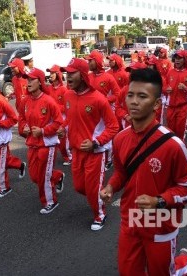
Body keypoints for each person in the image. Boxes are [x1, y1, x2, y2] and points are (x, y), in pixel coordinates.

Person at [100, 68, 187, 276]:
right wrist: (111, 186)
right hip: (130, 220)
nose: (134, 101)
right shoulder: (120, 139)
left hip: (160, 224)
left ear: (156, 104)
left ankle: (184, 264)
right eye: (130, 95)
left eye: (142, 96)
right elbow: (121, 173)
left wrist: (159, 201)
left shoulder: (172, 145)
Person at [58, 58, 119, 230]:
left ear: (83, 75)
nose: (67, 76)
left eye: (72, 73)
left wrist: (96, 142)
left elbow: (113, 126)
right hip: (77, 151)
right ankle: (98, 195)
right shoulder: (68, 95)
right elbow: (69, 118)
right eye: (66, 73)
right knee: (79, 187)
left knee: (92, 190)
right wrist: (63, 128)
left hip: (95, 152)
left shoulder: (99, 99)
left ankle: (100, 214)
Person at [18, 68, 65, 214]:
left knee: (44, 176)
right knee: (34, 176)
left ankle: (50, 201)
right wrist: (23, 127)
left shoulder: (49, 101)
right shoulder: (25, 101)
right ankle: (57, 176)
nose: (28, 82)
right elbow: (21, 119)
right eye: (27, 79)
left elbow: (59, 122)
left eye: (32, 79)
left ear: (40, 81)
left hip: (47, 144)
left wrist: (43, 131)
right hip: (32, 143)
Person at [85, 50, 121, 170]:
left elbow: (118, 94)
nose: (88, 62)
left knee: (106, 135)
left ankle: (109, 159)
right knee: (92, 133)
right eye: (88, 60)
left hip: (105, 111)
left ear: (97, 61)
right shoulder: (88, 76)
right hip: (89, 111)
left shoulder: (108, 77)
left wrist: (106, 100)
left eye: (91, 60)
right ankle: (94, 155)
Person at [164, 50, 187, 141]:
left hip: (182, 107)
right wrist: (166, 89)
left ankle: (181, 151)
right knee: (170, 131)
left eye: (179, 58)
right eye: (176, 58)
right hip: (170, 106)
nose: (177, 60)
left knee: (180, 132)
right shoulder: (170, 72)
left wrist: (185, 88)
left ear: (185, 60)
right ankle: (172, 150)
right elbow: (164, 86)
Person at [47, 65, 72, 166]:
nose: (51, 75)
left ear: (58, 75)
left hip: (62, 117)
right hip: (53, 117)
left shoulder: (64, 90)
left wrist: (55, 107)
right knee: (53, 137)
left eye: (53, 73)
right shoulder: (49, 88)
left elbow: (67, 107)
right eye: (50, 73)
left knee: (63, 140)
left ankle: (69, 157)